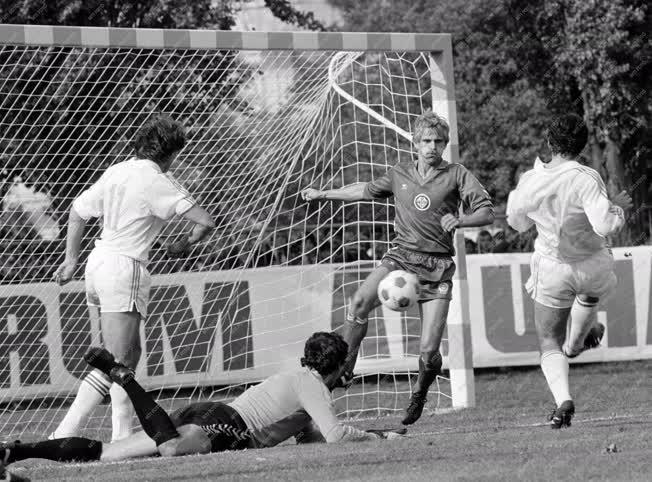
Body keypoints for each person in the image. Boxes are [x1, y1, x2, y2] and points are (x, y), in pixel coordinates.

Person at [301, 111, 494, 425]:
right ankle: (346, 365)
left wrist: (461, 219)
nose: (433, 146)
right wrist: (325, 193)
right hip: (401, 258)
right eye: (427, 141)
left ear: (445, 144)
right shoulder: (399, 172)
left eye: (439, 141)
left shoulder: (457, 174)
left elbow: (486, 213)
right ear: (415, 143)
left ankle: (419, 390)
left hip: (437, 268)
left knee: (429, 352)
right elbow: (364, 190)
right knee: (359, 301)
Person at [0, 332, 403, 478]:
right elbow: (334, 435)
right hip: (227, 425)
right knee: (172, 448)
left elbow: (313, 436)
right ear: (334, 368)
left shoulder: (299, 379)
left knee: (104, 455)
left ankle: (13, 452)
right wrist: (376, 437)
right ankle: (124, 377)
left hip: (209, 412)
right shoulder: (314, 384)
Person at [51, 115, 215, 442]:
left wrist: (70, 261)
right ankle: (61, 434)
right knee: (114, 359)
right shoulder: (157, 180)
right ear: (170, 153)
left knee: (130, 355)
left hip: (97, 265)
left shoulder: (118, 170)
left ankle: (122, 434)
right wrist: (184, 243)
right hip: (124, 268)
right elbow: (205, 220)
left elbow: (78, 210)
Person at [506, 113, 632, 428]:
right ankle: (577, 343)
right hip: (593, 265)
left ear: (549, 143)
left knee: (549, 339)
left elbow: (517, 222)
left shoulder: (530, 179)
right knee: (588, 294)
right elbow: (605, 224)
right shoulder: (586, 176)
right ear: (583, 144)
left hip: (552, 266)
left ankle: (563, 401)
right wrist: (618, 208)